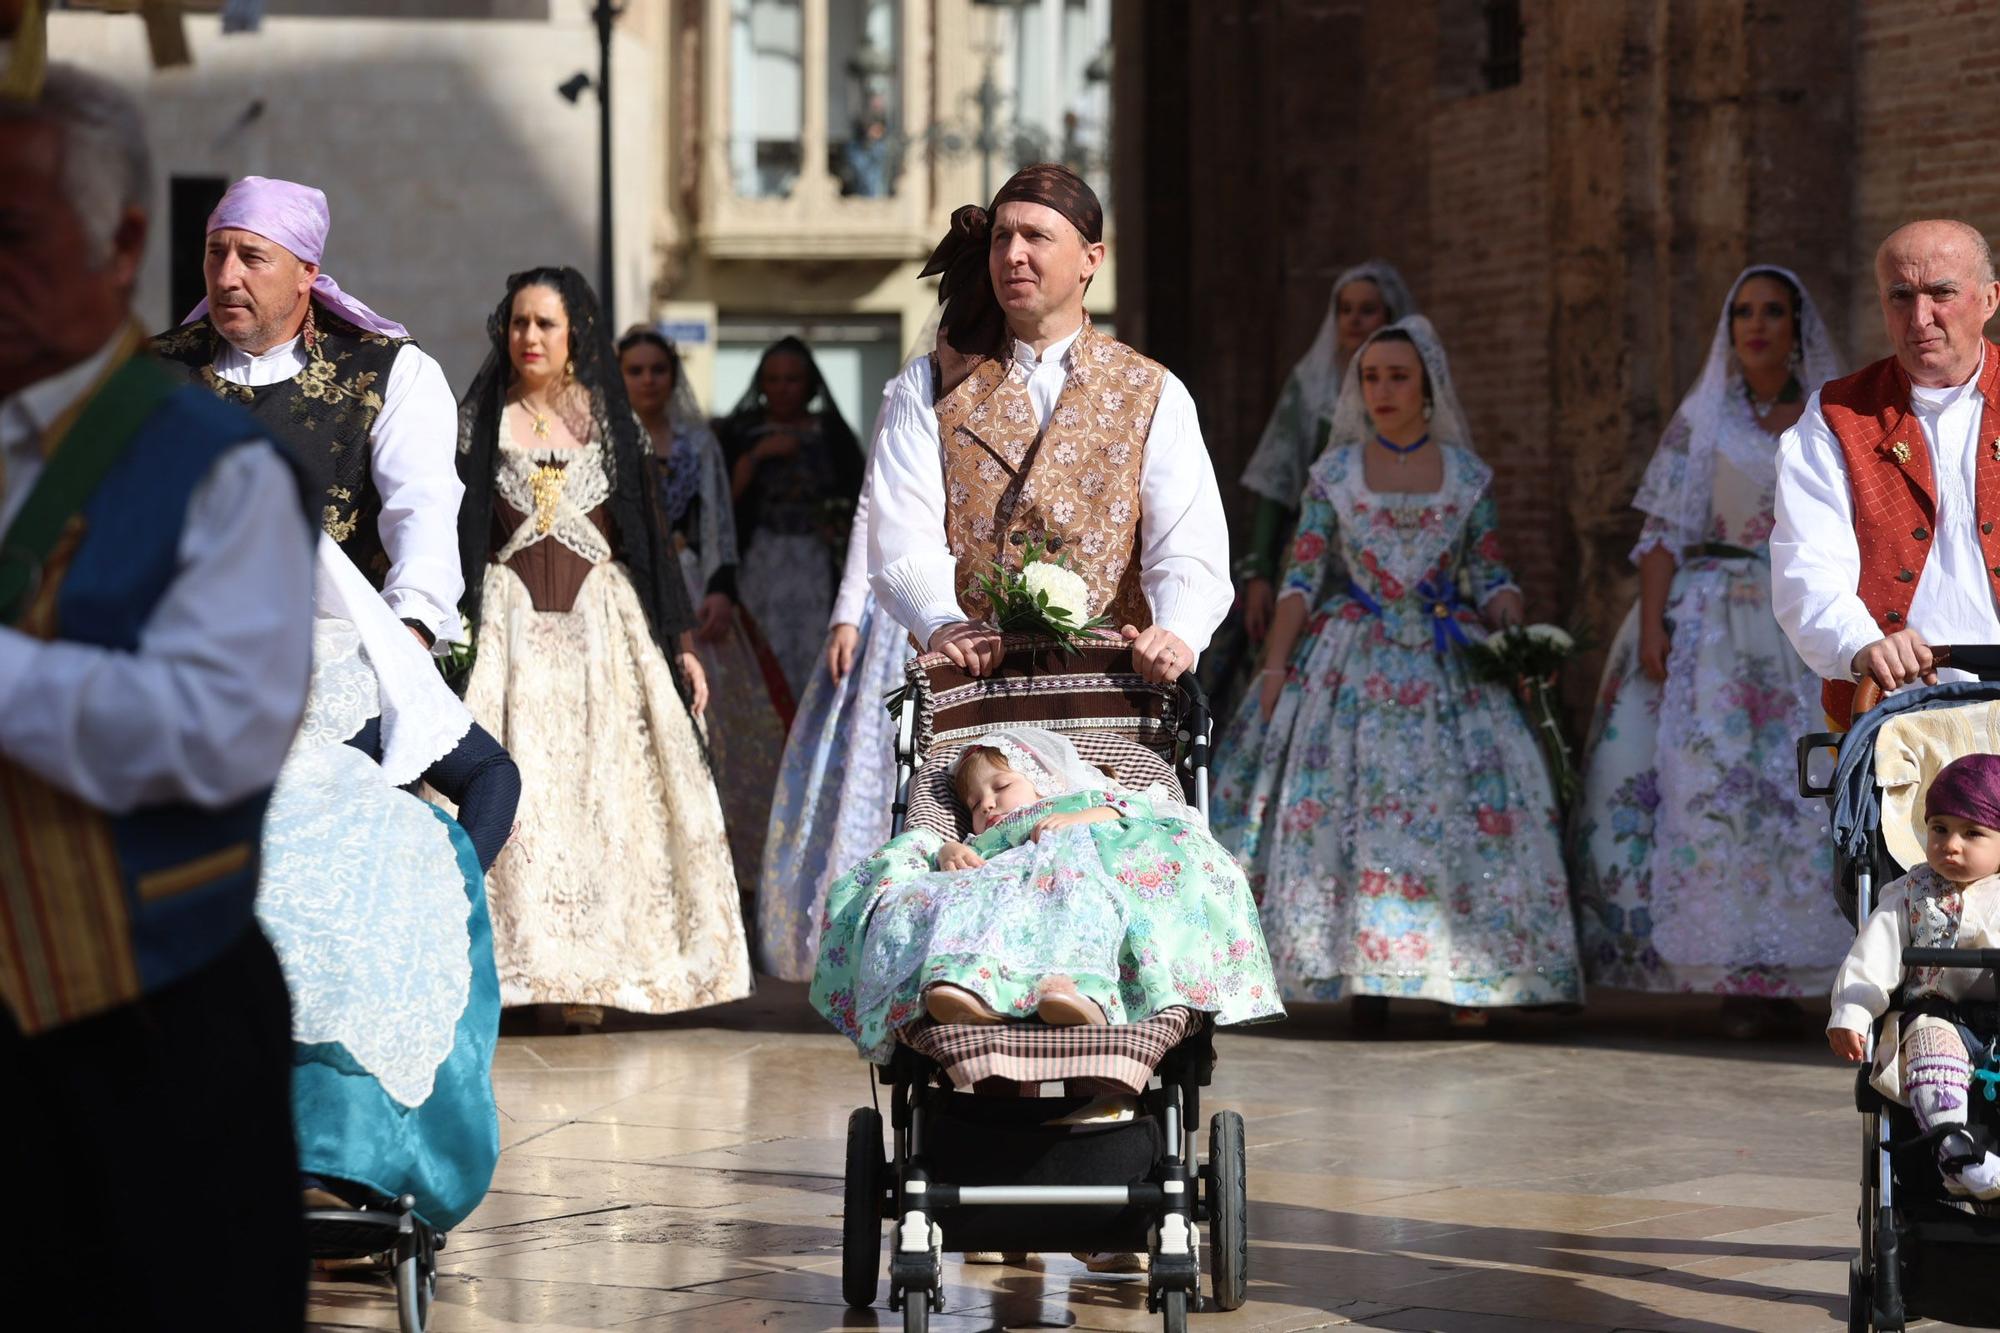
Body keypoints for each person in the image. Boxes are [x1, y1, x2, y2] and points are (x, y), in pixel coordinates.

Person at [0, 65, 314, 1325]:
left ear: (123, 240)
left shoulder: (217, 471)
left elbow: (215, 731)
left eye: (13, 237)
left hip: (145, 1036)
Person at [1210, 317, 1581, 1025]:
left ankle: (1465, 975)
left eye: (1397, 376)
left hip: (1448, 653)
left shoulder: (1469, 477)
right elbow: (1302, 576)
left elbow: (1489, 571)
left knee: (1465, 808)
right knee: (1356, 811)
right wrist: (1277, 665)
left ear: (1428, 386)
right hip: (1354, 656)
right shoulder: (1333, 475)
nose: (1381, 389)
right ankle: (1368, 977)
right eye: (1370, 377)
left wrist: (1517, 628)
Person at [456, 266, 749, 1028]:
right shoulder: (482, 419)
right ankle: (519, 971)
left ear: (574, 334)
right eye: (518, 323)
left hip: (602, 631)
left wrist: (679, 642)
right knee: (523, 788)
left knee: (602, 793)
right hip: (511, 631)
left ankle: (593, 973)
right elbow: (459, 531)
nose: (529, 338)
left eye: (544, 325)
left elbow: (649, 538)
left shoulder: (608, 423)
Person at [1574, 267, 1852, 1032]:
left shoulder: (1833, 416)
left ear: (1799, 326)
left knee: (1800, 794)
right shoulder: (1703, 421)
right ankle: (1733, 978)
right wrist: (1655, 622)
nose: (1756, 325)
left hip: (1803, 621)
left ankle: (1807, 971)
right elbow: (1661, 531)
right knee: (1715, 787)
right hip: (1714, 626)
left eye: (1773, 311)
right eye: (1742, 314)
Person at [868, 162, 1232, 687]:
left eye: (1035, 236)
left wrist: (1178, 628)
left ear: (1091, 259)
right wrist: (940, 621)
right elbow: (903, 531)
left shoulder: (1153, 392)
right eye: (1000, 237)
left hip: (1110, 693)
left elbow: (1187, 540)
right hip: (976, 690)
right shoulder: (928, 387)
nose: (1013, 254)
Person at [264, 538, 519, 1231]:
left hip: (364, 853)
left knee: (360, 939)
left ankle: (344, 1162)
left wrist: (452, 867)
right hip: (239, 843)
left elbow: (492, 774)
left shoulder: (364, 646)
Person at [810, 728, 1282, 1061]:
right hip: (1012, 897)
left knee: (1081, 900)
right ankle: (969, 987)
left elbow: (1151, 815)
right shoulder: (984, 840)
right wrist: (950, 848)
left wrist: (1086, 817)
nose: (988, 804)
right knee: (963, 902)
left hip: (1078, 887)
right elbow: (949, 857)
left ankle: (1081, 995)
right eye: (974, 804)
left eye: (1000, 786)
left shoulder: (1085, 802)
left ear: (1045, 779)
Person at [149, 175, 465, 654]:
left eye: (252, 257)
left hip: (330, 659)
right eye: (216, 253)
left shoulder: (389, 372)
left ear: (306, 273)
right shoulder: (150, 372)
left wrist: (411, 629)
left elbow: (421, 507)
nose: (228, 276)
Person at [758, 316, 939, 982]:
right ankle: (865, 932)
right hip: (899, 601)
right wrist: (846, 617)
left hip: (976, 601)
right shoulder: (909, 389)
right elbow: (873, 505)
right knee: (882, 758)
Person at [1772, 220, 2000, 720]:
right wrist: (1863, 645)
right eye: (1901, 296)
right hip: (1895, 712)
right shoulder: (1838, 415)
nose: (1921, 318)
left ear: (1989, 299)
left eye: (1942, 292)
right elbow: (1807, 565)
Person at [621, 325, 790, 902]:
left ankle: (720, 876)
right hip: (622, 588)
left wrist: (720, 588)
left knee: (715, 731)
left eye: (657, 369)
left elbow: (718, 518)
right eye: (635, 370)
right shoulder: (607, 439)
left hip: (692, 587)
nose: (648, 380)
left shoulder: (697, 442)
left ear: (672, 376)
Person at [1830, 753, 2000, 1200]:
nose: (1951, 844)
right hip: (1936, 1011)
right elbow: (1874, 953)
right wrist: (1852, 1009)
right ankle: (1954, 1150)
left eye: (1973, 833)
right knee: (1929, 1045)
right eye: (1939, 828)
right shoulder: (1910, 892)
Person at [1235, 261, 1416, 644]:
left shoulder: (1416, 388)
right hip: (1318, 558)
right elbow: (1277, 478)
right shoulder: (1312, 385)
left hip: (1399, 555)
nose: (1353, 320)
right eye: (1344, 309)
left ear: (1391, 315)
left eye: (1367, 310)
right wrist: (1260, 572)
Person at [714, 336, 865, 696]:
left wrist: (836, 527)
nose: (782, 389)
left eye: (792, 379)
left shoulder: (832, 435)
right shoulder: (740, 433)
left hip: (817, 565)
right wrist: (756, 457)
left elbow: (858, 496)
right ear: (761, 385)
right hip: (759, 561)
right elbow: (719, 504)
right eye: (774, 379)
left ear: (810, 385)